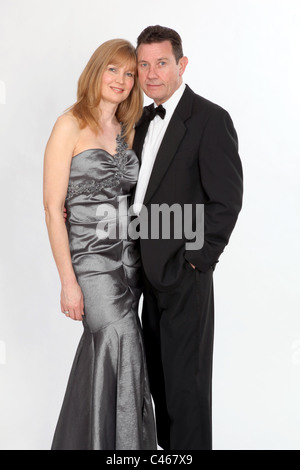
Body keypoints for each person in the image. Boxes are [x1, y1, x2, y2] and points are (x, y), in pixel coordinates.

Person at [132, 25, 243, 450]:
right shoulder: (142, 120)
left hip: (183, 276)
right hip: (144, 276)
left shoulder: (210, 119)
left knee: (187, 394)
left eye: (161, 63)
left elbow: (226, 201)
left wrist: (195, 260)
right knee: (158, 389)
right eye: (144, 64)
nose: (151, 73)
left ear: (181, 65)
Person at [43, 39, 157, 450]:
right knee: (119, 340)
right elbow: (53, 209)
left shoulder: (129, 129)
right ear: (97, 70)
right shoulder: (69, 124)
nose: (122, 80)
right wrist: (68, 282)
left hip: (130, 262)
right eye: (114, 69)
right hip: (91, 263)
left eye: (130, 74)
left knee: (111, 353)